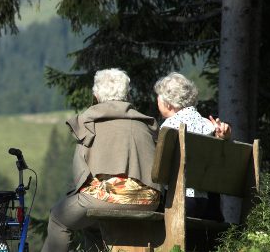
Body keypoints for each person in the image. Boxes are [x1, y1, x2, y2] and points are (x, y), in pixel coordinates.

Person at [41, 69, 163, 252]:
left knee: (59, 218)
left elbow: (80, 171)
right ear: (127, 94)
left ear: (96, 95)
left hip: (106, 198)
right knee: (92, 224)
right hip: (149, 200)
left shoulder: (89, 122)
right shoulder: (144, 124)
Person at [153, 72, 230, 221]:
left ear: (168, 103)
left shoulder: (168, 128)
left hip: (181, 201)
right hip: (210, 204)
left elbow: (160, 173)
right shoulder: (208, 125)